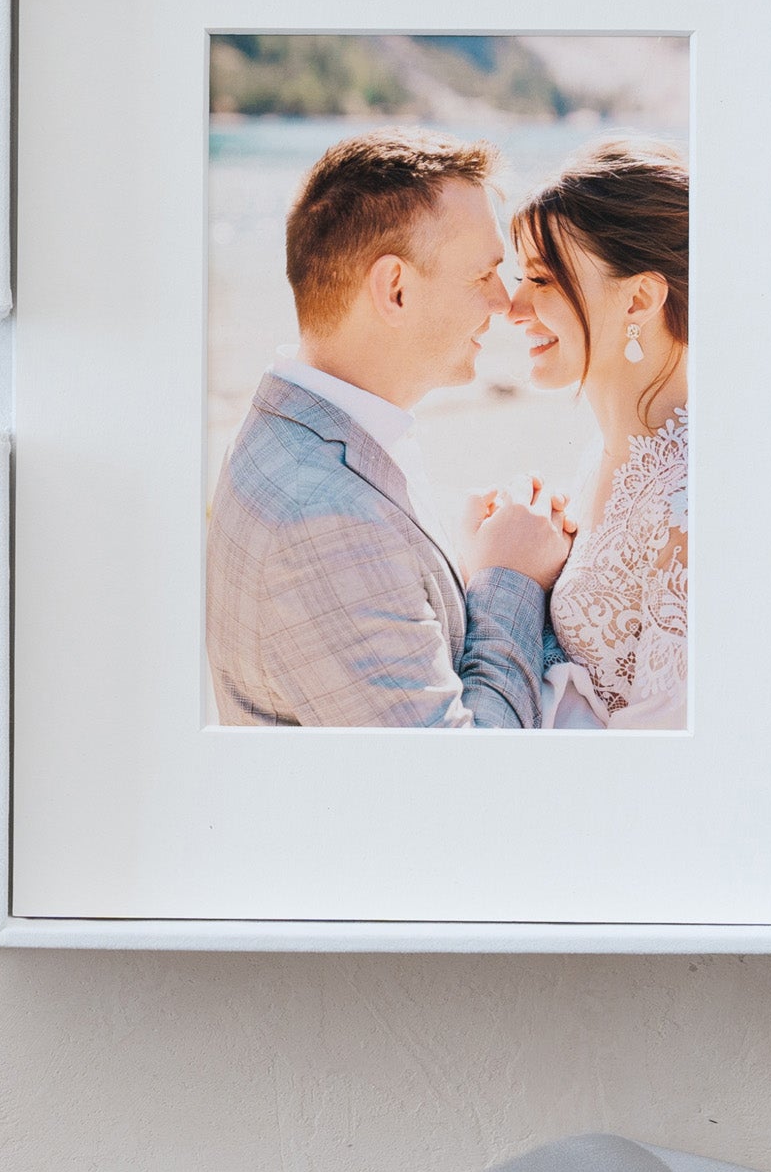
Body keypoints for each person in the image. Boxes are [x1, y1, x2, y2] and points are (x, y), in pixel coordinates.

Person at [206, 131, 575, 728]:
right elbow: (456, 794)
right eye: (483, 274)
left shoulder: (307, 428)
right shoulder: (322, 517)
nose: (505, 302)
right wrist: (507, 580)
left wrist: (458, 558)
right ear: (395, 290)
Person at [507, 135, 689, 730]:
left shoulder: (691, 500)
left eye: (542, 279)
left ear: (639, 298)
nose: (513, 308)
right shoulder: (614, 449)